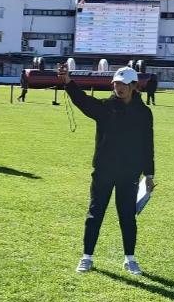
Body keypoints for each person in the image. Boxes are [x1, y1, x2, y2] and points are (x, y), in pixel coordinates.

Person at [63, 65, 155, 276]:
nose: (118, 88)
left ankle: (130, 259)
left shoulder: (144, 113)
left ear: (133, 86)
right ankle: (87, 257)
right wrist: (68, 82)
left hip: (129, 174)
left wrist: (149, 174)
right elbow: (83, 101)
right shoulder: (105, 107)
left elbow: (147, 144)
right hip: (104, 171)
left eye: (123, 84)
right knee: (95, 214)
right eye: (116, 84)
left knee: (127, 217)